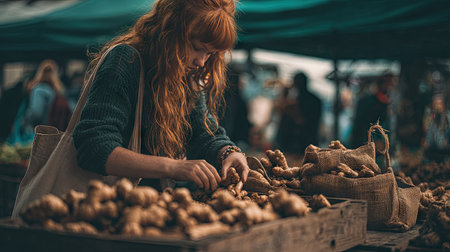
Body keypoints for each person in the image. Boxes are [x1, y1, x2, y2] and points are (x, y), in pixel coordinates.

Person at [73, 0, 249, 192]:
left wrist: (228, 152)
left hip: (157, 207)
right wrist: (172, 167)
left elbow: (202, 132)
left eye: (209, 54)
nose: (201, 62)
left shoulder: (184, 75)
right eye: (197, 48)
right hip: (106, 204)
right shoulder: (125, 61)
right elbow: (94, 148)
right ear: (169, 30)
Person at [6, 59, 64, 146]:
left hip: (37, 133)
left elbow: (36, 113)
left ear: (39, 72)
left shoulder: (38, 89)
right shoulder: (55, 92)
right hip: (52, 132)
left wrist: (25, 120)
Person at [275, 72, 322, 155]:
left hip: (302, 142)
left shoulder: (306, 99)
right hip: (302, 142)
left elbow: (300, 120)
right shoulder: (310, 98)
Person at [350, 72, 396, 149]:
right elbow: (361, 125)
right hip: (367, 144)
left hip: (382, 144)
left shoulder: (387, 102)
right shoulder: (367, 102)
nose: (391, 86)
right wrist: (373, 141)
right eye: (389, 83)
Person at [423, 94, 450, 162]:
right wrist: (427, 143)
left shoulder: (448, 118)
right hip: (435, 155)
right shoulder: (432, 120)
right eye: (435, 104)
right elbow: (428, 139)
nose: (437, 107)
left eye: (439, 104)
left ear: (443, 106)